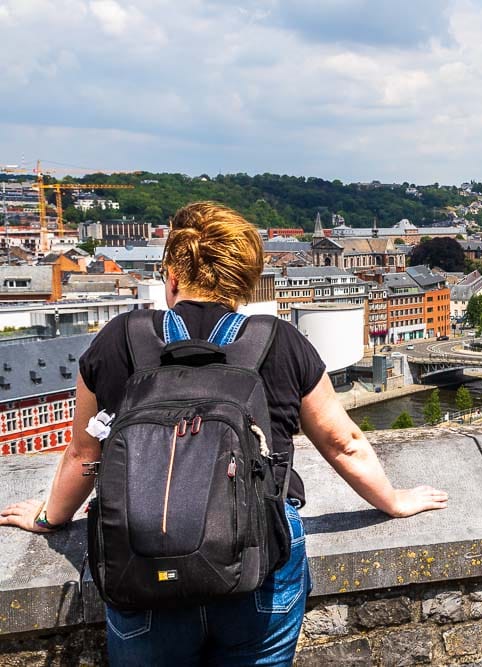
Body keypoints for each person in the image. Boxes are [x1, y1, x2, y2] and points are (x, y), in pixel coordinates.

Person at [0, 202, 447, 666]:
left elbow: (82, 454)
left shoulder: (120, 337)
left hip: (142, 560)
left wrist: (49, 518)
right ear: (245, 282)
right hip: (257, 558)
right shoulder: (278, 340)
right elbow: (343, 443)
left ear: (170, 275)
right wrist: (393, 501)